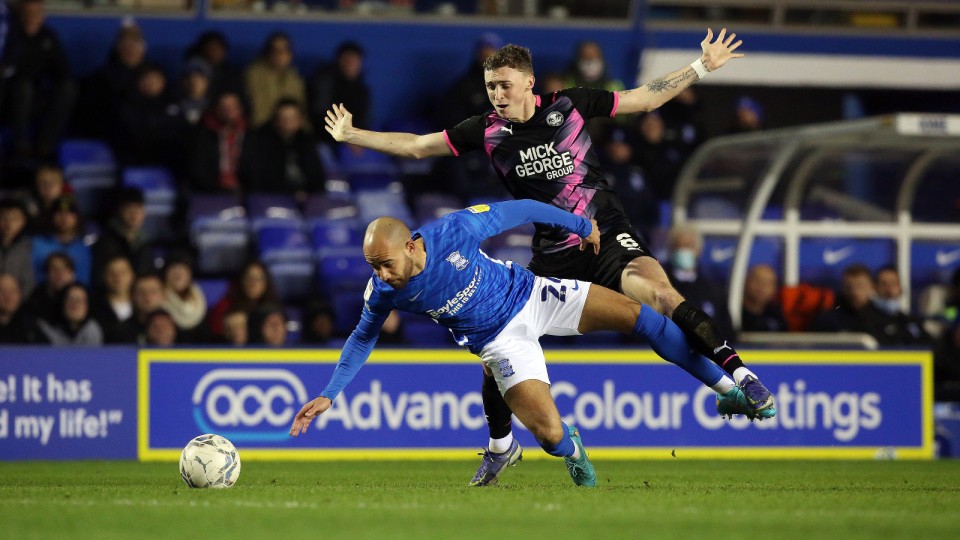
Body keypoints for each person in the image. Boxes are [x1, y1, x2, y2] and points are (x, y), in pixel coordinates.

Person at [320, 29, 776, 476]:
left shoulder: (570, 104)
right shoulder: (486, 130)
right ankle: (500, 445)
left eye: (505, 84)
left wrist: (700, 67)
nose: (497, 94)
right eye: (491, 86)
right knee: (495, 355)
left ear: (528, 83)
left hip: (605, 233)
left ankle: (736, 379)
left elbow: (645, 98)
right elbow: (419, 147)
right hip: (554, 252)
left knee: (656, 297)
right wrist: (352, 134)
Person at [289, 200, 770, 488]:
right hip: (501, 344)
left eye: (386, 263)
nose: (381, 275)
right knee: (551, 436)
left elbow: (518, 210)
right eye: (373, 266)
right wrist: (331, 393)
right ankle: (572, 451)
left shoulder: (454, 231)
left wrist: (578, 223)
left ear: (412, 245)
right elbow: (361, 337)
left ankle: (725, 389)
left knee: (640, 316)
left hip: (534, 293)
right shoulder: (384, 291)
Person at [2, 0, 75, 160]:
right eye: (27, 14)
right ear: (19, 16)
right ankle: (20, 146)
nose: (31, 18)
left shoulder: (48, 37)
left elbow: (62, 70)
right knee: (23, 87)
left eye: (35, 14)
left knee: (67, 88)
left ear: (42, 16)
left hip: (39, 95)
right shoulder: (10, 37)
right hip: (11, 98)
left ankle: (46, 146)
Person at [243, 98, 325, 200]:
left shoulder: (307, 141)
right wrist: (292, 193)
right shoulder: (261, 141)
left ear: (300, 119)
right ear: (276, 121)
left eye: (293, 118)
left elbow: (317, 176)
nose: (288, 122)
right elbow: (261, 178)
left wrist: (308, 193)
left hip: (307, 197)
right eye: (284, 118)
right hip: (273, 196)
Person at [662, 224, 733, 340]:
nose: (683, 250)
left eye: (689, 246)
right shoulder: (658, 286)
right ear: (671, 250)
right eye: (678, 246)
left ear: (698, 250)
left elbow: (727, 333)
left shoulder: (714, 291)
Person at [188, 91, 250, 195]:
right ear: (216, 109)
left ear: (240, 109)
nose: (228, 111)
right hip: (211, 191)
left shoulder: (251, 136)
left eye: (232, 107)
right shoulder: (203, 136)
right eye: (224, 107)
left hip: (245, 191)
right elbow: (198, 170)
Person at [309, 41, 370, 139]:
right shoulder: (325, 83)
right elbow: (320, 115)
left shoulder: (362, 90)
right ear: (339, 61)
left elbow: (365, 120)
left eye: (354, 61)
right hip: (325, 138)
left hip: (355, 140)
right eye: (347, 60)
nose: (351, 64)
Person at [91, 187, 154, 282]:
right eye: (129, 208)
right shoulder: (106, 242)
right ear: (120, 210)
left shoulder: (145, 243)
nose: (134, 214)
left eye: (138, 208)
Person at [244, 31, 306, 128]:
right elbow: (259, 116)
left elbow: (301, 111)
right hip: (264, 132)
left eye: (284, 50)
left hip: (292, 132)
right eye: (275, 50)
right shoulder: (254, 75)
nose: (280, 55)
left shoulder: (295, 77)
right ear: (268, 53)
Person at [31, 194, 90, 285]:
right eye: (59, 212)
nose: (64, 217)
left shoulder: (85, 248)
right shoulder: (36, 244)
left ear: (77, 217)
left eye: (70, 213)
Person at [34, 282, 103, 345]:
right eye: (70, 299)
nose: (75, 304)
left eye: (80, 300)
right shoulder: (45, 329)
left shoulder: (93, 330)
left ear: (88, 306)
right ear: (62, 303)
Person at [89, 255, 135, 343]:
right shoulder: (94, 308)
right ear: (104, 277)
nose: (117, 277)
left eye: (123, 272)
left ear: (132, 275)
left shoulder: (140, 306)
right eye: (111, 273)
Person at [0, 198, 34, 295]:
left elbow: (29, 282)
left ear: (23, 221)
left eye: (15, 218)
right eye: (4, 217)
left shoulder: (31, 247)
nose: (9, 223)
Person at [741, 264, 788, 332]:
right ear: (745, 282)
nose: (762, 286)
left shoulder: (776, 314)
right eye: (757, 280)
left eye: (768, 283)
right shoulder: (731, 312)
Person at [0, 271, 41, 343]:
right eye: (2, 291)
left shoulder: (34, 325)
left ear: (20, 295)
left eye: (13, 291)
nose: (8, 297)